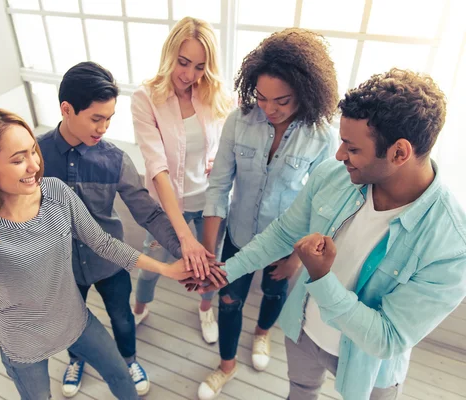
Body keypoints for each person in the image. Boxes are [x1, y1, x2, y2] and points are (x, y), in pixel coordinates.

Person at [0, 106, 198, 400]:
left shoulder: (55, 191)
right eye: (18, 159)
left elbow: (103, 243)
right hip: (24, 346)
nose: (34, 166)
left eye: (33, 152)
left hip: (76, 322)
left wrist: (167, 270)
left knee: (121, 378)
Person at [185, 68, 466, 400]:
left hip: (369, 369)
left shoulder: (451, 244)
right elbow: (283, 233)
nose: (338, 155)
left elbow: (387, 338)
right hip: (303, 331)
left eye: (352, 148)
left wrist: (321, 278)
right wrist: (224, 272)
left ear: (399, 153)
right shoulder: (333, 176)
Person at [37, 61, 227, 397]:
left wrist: (188, 250)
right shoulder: (36, 156)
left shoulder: (115, 160)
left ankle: (129, 358)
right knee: (70, 321)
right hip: (59, 268)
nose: (104, 128)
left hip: (111, 263)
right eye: (97, 118)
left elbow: (150, 214)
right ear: (67, 109)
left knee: (123, 318)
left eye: (110, 118)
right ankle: (76, 359)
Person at [196, 28, 340, 400]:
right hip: (240, 237)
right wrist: (210, 252)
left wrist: (296, 259)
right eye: (261, 97)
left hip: (287, 244)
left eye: (282, 100)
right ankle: (226, 365)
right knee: (229, 302)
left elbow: (321, 206)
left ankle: (262, 334)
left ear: (305, 94)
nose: (269, 108)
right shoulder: (238, 121)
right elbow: (218, 188)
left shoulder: (321, 136)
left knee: (275, 296)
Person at [131, 16, 232, 344]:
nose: (189, 75)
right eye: (183, 62)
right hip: (166, 209)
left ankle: (205, 308)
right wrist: (183, 236)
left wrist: (218, 158)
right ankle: (139, 309)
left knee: (210, 262)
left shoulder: (211, 93)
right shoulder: (145, 98)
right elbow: (157, 168)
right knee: (151, 264)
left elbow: (224, 141)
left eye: (200, 67)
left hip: (209, 204)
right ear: (170, 54)